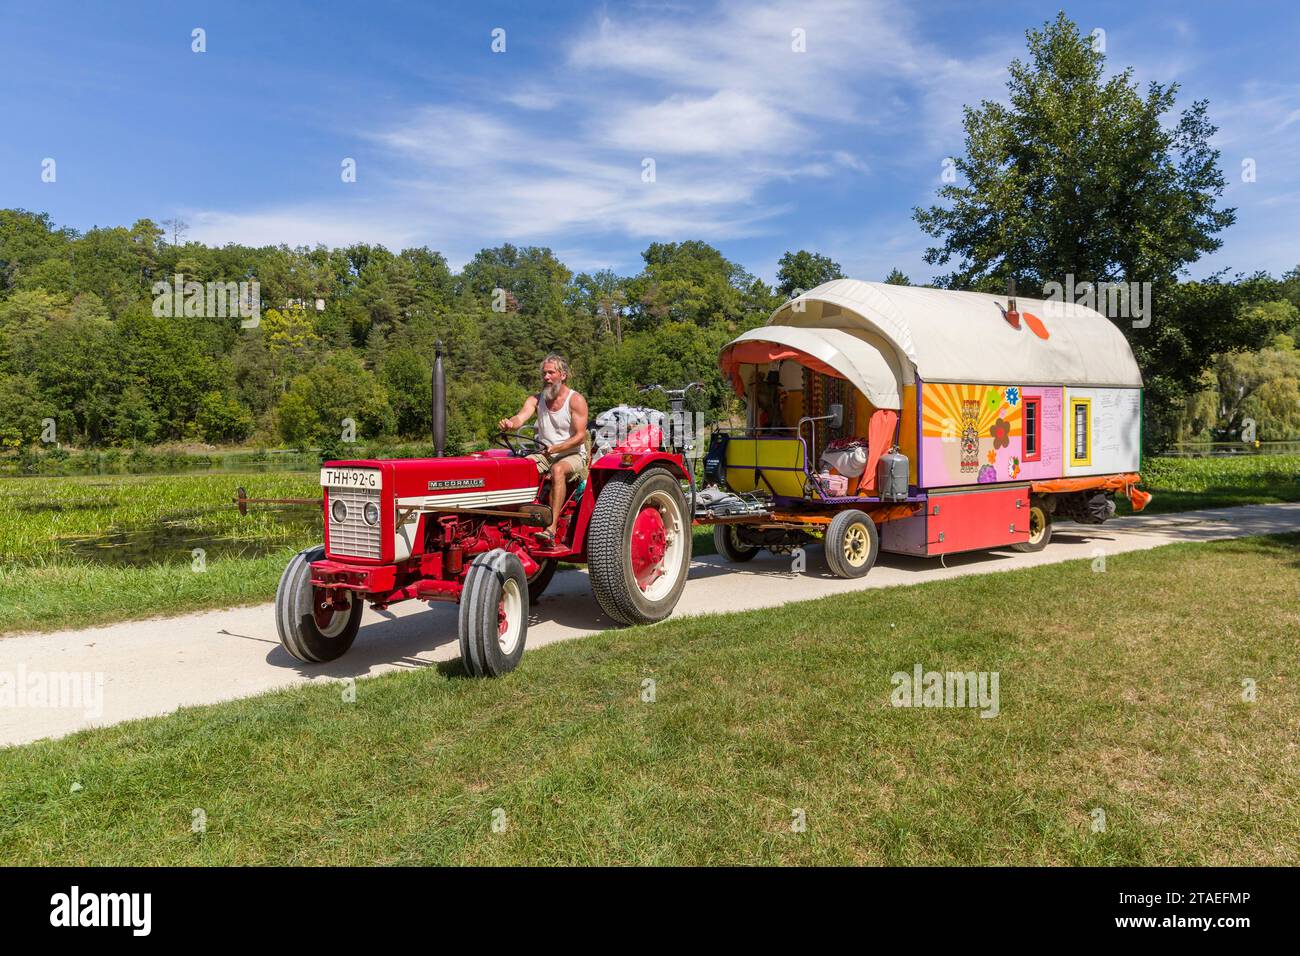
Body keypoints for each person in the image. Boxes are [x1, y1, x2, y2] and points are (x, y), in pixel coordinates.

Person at [497, 354, 590, 545]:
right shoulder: (536, 399)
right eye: (544, 373)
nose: (546, 377)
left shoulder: (576, 400)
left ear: (563, 375)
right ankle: (511, 520)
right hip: (546, 453)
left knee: (557, 470)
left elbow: (580, 436)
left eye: (551, 373)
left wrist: (558, 447)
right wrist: (509, 423)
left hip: (571, 454)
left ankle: (552, 528)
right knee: (520, 467)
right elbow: (520, 418)